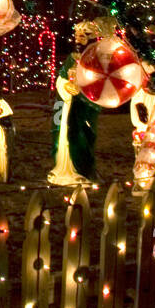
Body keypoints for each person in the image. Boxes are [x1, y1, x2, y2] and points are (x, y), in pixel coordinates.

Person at [48, 20, 101, 185]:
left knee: (81, 134)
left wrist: (83, 90)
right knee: (63, 132)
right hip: (67, 103)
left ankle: (81, 169)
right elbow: (61, 79)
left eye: (83, 37)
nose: (78, 40)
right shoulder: (72, 58)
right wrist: (65, 87)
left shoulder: (96, 60)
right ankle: (65, 166)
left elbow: (99, 84)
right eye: (76, 36)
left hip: (84, 106)